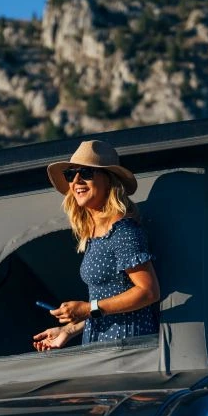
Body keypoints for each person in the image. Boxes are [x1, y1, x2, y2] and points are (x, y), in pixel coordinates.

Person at [33, 139, 160, 351]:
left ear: (109, 180)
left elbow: (148, 291)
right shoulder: (94, 232)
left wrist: (88, 308)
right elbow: (108, 303)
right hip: (106, 345)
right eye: (70, 175)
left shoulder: (123, 231)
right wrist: (69, 330)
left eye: (86, 173)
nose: (76, 181)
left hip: (126, 348)